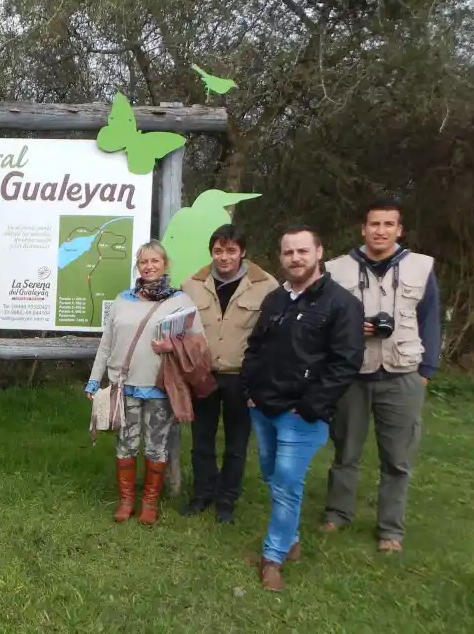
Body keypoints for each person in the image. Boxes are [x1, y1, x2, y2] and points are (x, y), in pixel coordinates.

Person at [241, 225, 364, 591]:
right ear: (281, 257)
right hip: (263, 407)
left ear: (319, 253)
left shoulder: (342, 304)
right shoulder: (276, 299)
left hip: (301, 415)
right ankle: (291, 540)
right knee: (270, 475)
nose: (295, 258)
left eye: (302, 251)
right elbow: (256, 346)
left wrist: (311, 407)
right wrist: (250, 389)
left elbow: (346, 363)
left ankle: (273, 556)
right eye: (288, 252)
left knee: (286, 486)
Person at [322, 200, 441, 552]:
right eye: (374, 223)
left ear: (399, 230)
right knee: (345, 450)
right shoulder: (337, 269)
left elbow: (432, 321)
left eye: (389, 224)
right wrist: (350, 330)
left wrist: (426, 371)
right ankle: (337, 513)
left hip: (402, 372)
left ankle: (391, 529)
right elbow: (324, 320)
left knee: (397, 458)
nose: (380, 231)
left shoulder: (420, 267)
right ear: (363, 228)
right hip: (352, 373)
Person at [86, 241, 203, 525]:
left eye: (155, 261)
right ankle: (126, 501)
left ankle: (149, 503)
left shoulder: (180, 302)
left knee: (156, 446)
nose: (149, 266)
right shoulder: (122, 300)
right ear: (138, 267)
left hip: (160, 387)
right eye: (143, 262)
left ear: (165, 264)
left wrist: (171, 348)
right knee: (125, 445)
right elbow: (106, 345)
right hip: (123, 386)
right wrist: (93, 381)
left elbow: (198, 344)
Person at [179, 225, 279, 523]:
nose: (224, 257)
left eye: (231, 251)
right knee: (201, 440)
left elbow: (273, 335)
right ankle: (202, 494)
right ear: (211, 252)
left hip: (242, 376)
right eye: (218, 251)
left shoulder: (267, 285)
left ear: (243, 252)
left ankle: (227, 500)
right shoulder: (192, 284)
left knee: (237, 442)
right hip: (204, 374)